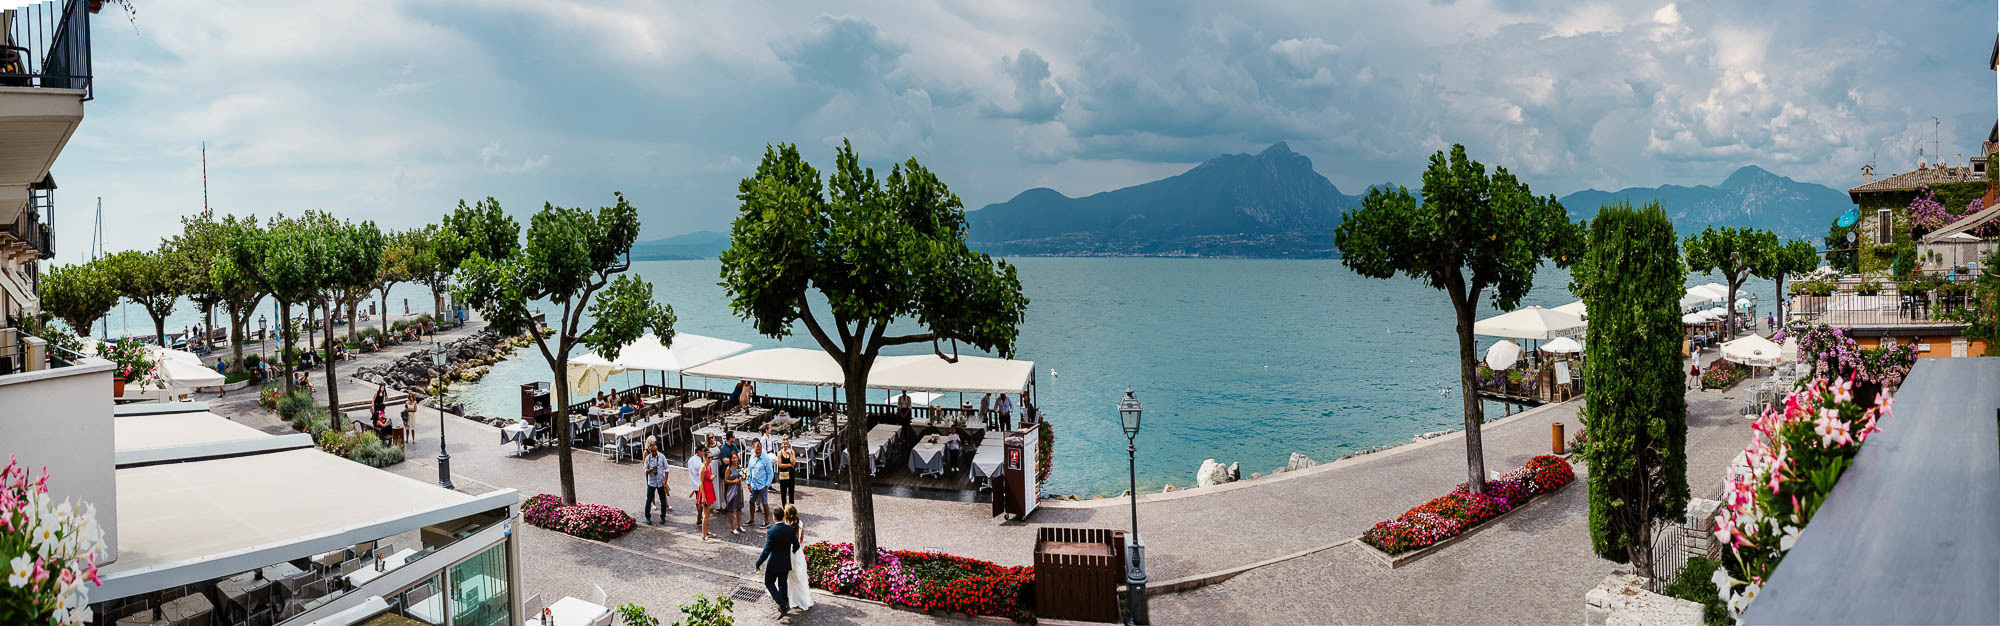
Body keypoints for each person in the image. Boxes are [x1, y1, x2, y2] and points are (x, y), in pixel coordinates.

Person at [754, 504, 802, 616]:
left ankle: (782, 604)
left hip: (774, 564)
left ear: (774, 517)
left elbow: (766, 551)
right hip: (785, 563)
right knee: (782, 584)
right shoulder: (790, 529)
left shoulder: (771, 532)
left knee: (769, 582)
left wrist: (759, 562)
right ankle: (784, 603)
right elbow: (796, 546)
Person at [782, 505, 815, 612]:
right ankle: (799, 597)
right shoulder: (800, 524)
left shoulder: (786, 527)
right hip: (798, 552)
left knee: (786, 575)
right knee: (798, 575)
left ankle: (787, 596)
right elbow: (801, 539)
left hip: (789, 553)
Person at [747, 440, 775, 528]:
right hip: (754, 485)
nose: (758, 451)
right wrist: (748, 482)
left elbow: (770, 472)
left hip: (763, 485)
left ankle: (766, 521)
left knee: (764, 503)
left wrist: (767, 484)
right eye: (756, 449)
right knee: (751, 501)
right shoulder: (752, 457)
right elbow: (749, 470)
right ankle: (751, 519)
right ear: (753, 449)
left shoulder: (765, 458)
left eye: (759, 449)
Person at [642, 437, 670, 524]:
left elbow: (667, 469)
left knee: (662, 499)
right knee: (649, 499)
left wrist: (665, 480)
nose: (654, 452)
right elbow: (644, 469)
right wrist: (649, 470)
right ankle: (647, 517)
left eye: (655, 451)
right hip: (652, 482)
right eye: (653, 451)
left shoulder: (661, 457)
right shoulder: (648, 458)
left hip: (660, 481)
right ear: (650, 450)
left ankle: (663, 516)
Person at [692, 446, 717, 541]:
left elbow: (707, 477)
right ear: (705, 458)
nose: (710, 459)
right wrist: (703, 496)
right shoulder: (703, 467)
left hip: (709, 489)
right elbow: (701, 482)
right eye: (709, 457)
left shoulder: (709, 466)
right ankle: (704, 534)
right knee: (705, 514)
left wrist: (711, 477)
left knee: (707, 513)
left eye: (711, 457)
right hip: (705, 491)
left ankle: (706, 531)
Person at [687, 444, 710, 537]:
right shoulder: (699, 463)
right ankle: (699, 518)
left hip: (694, 482)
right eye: (703, 451)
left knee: (698, 501)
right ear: (699, 451)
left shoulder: (691, 459)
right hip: (699, 484)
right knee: (700, 502)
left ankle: (699, 517)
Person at [723, 456, 746, 535]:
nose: (735, 459)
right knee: (731, 509)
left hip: (739, 489)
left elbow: (744, 477)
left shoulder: (740, 467)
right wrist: (734, 481)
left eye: (736, 458)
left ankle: (739, 525)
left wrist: (743, 477)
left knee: (739, 508)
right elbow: (726, 481)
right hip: (731, 490)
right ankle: (732, 527)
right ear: (730, 459)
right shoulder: (728, 469)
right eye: (733, 458)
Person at [776, 438, 798, 506]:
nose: (785, 445)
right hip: (783, 474)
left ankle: (791, 507)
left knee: (791, 491)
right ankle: (784, 507)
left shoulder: (792, 452)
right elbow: (780, 465)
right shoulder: (780, 453)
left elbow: (794, 463)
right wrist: (789, 465)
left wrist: (790, 455)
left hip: (791, 474)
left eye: (786, 444)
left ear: (788, 444)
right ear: (782, 444)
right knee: (783, 492)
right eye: (784, 444)